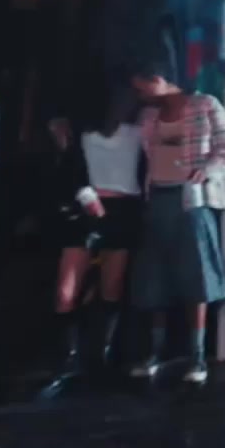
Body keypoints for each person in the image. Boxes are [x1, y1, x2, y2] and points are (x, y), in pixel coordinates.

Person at [130, 60, 225, 384]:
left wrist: (208, 170)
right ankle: (155, 352)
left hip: (192, 198)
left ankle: (197, 355)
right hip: (158, 196)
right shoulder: (149, 115)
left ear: (159, 77)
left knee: (196, 277)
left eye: (144, 85)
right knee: (154, 278)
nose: (141, 93)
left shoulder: (205, 105)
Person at [41, 75, 145, 391]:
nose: (122, 104)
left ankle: (101, 356)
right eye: (118, 98)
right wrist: (86, 197)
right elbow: (69, 167)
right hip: (86, 207)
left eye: (128, 99)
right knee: (66, 290)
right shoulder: (80, 130)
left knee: (111, 287)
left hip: (124, 209)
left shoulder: (139, 129)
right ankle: (67, 358)